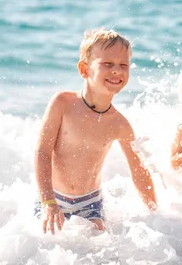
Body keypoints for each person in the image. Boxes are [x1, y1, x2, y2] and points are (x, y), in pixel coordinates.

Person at [34, 28, 157, 234]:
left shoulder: (119, 124)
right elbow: (42, 152)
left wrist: (155, 215)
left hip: (90, 204)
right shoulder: (62, 103)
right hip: (52, 197)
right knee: (42, 245)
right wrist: (48, 201)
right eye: (107, 64)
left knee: (98, 247)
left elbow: (139, 171)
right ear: (84, 70)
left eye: (123, 65)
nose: (117, 70)